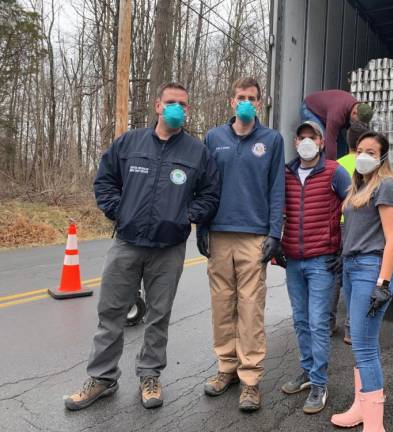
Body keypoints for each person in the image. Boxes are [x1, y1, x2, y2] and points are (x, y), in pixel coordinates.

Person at [64, 83, 220, 411]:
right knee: (111, 312)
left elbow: (209, 194)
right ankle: (102, 378)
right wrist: (120, 211)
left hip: (169, 246)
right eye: (171, 102)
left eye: (183, 104)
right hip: (127, 243)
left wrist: (186, 217)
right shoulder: (129, 143)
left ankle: (150, 375)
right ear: (157, 106)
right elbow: (104, 180)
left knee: (158, 315)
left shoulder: (197, 152)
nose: (178, 108)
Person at [197, 77, 285, 412]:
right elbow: (204, 185)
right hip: (219, 233)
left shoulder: (271, 140)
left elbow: (277, 189)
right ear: (231, 102)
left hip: (254, 235)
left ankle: (250, 380)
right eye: (240, 97)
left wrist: (274, 233)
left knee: (250, 309)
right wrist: (201, 226)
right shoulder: (213, 138)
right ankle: (226, 368)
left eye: (251, 97)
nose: (245, 102)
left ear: (259, 103)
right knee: (222, 305)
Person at [330, 132, 393, 431]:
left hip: (370, 269)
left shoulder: (387, 185)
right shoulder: (357, 186)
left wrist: (383, 283)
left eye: (371, 152)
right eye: (360, 150)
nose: (363, 155)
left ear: (383, 157)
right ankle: (361, 407)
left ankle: (375, 424)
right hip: (352, 266)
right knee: (363, 342)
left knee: (363, 344)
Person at [280, 120, 350, 414]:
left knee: (318, 322)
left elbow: (354, 205)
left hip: (323, 259)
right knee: (300, 320)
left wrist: (343, 248)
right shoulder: (286, 173)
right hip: (293, 259)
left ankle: (320, 383)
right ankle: (308, 372)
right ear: (296, 142)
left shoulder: (335, 172)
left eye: (313, 137)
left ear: (322, 142)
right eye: (302, 137)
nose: (307, 141)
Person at [330, 120, 370, 345]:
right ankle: (351, 331)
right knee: (356, 277)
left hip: (339, 225)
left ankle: (327, 324)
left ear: (348, 142)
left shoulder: (337, 165)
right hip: (361, 228)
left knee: (335, 275)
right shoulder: (371, 165)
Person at [301, 90, 374, 160]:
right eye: (358, 121)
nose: (358, 124)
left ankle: (340, 165)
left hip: (327, 114)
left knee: (341, 146)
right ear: (354, 113)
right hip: (310, 109)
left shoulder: (354, 107)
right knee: (321, 140)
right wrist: (331, 167)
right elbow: (330, 140)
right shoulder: (337, 114)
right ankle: (318, 168)